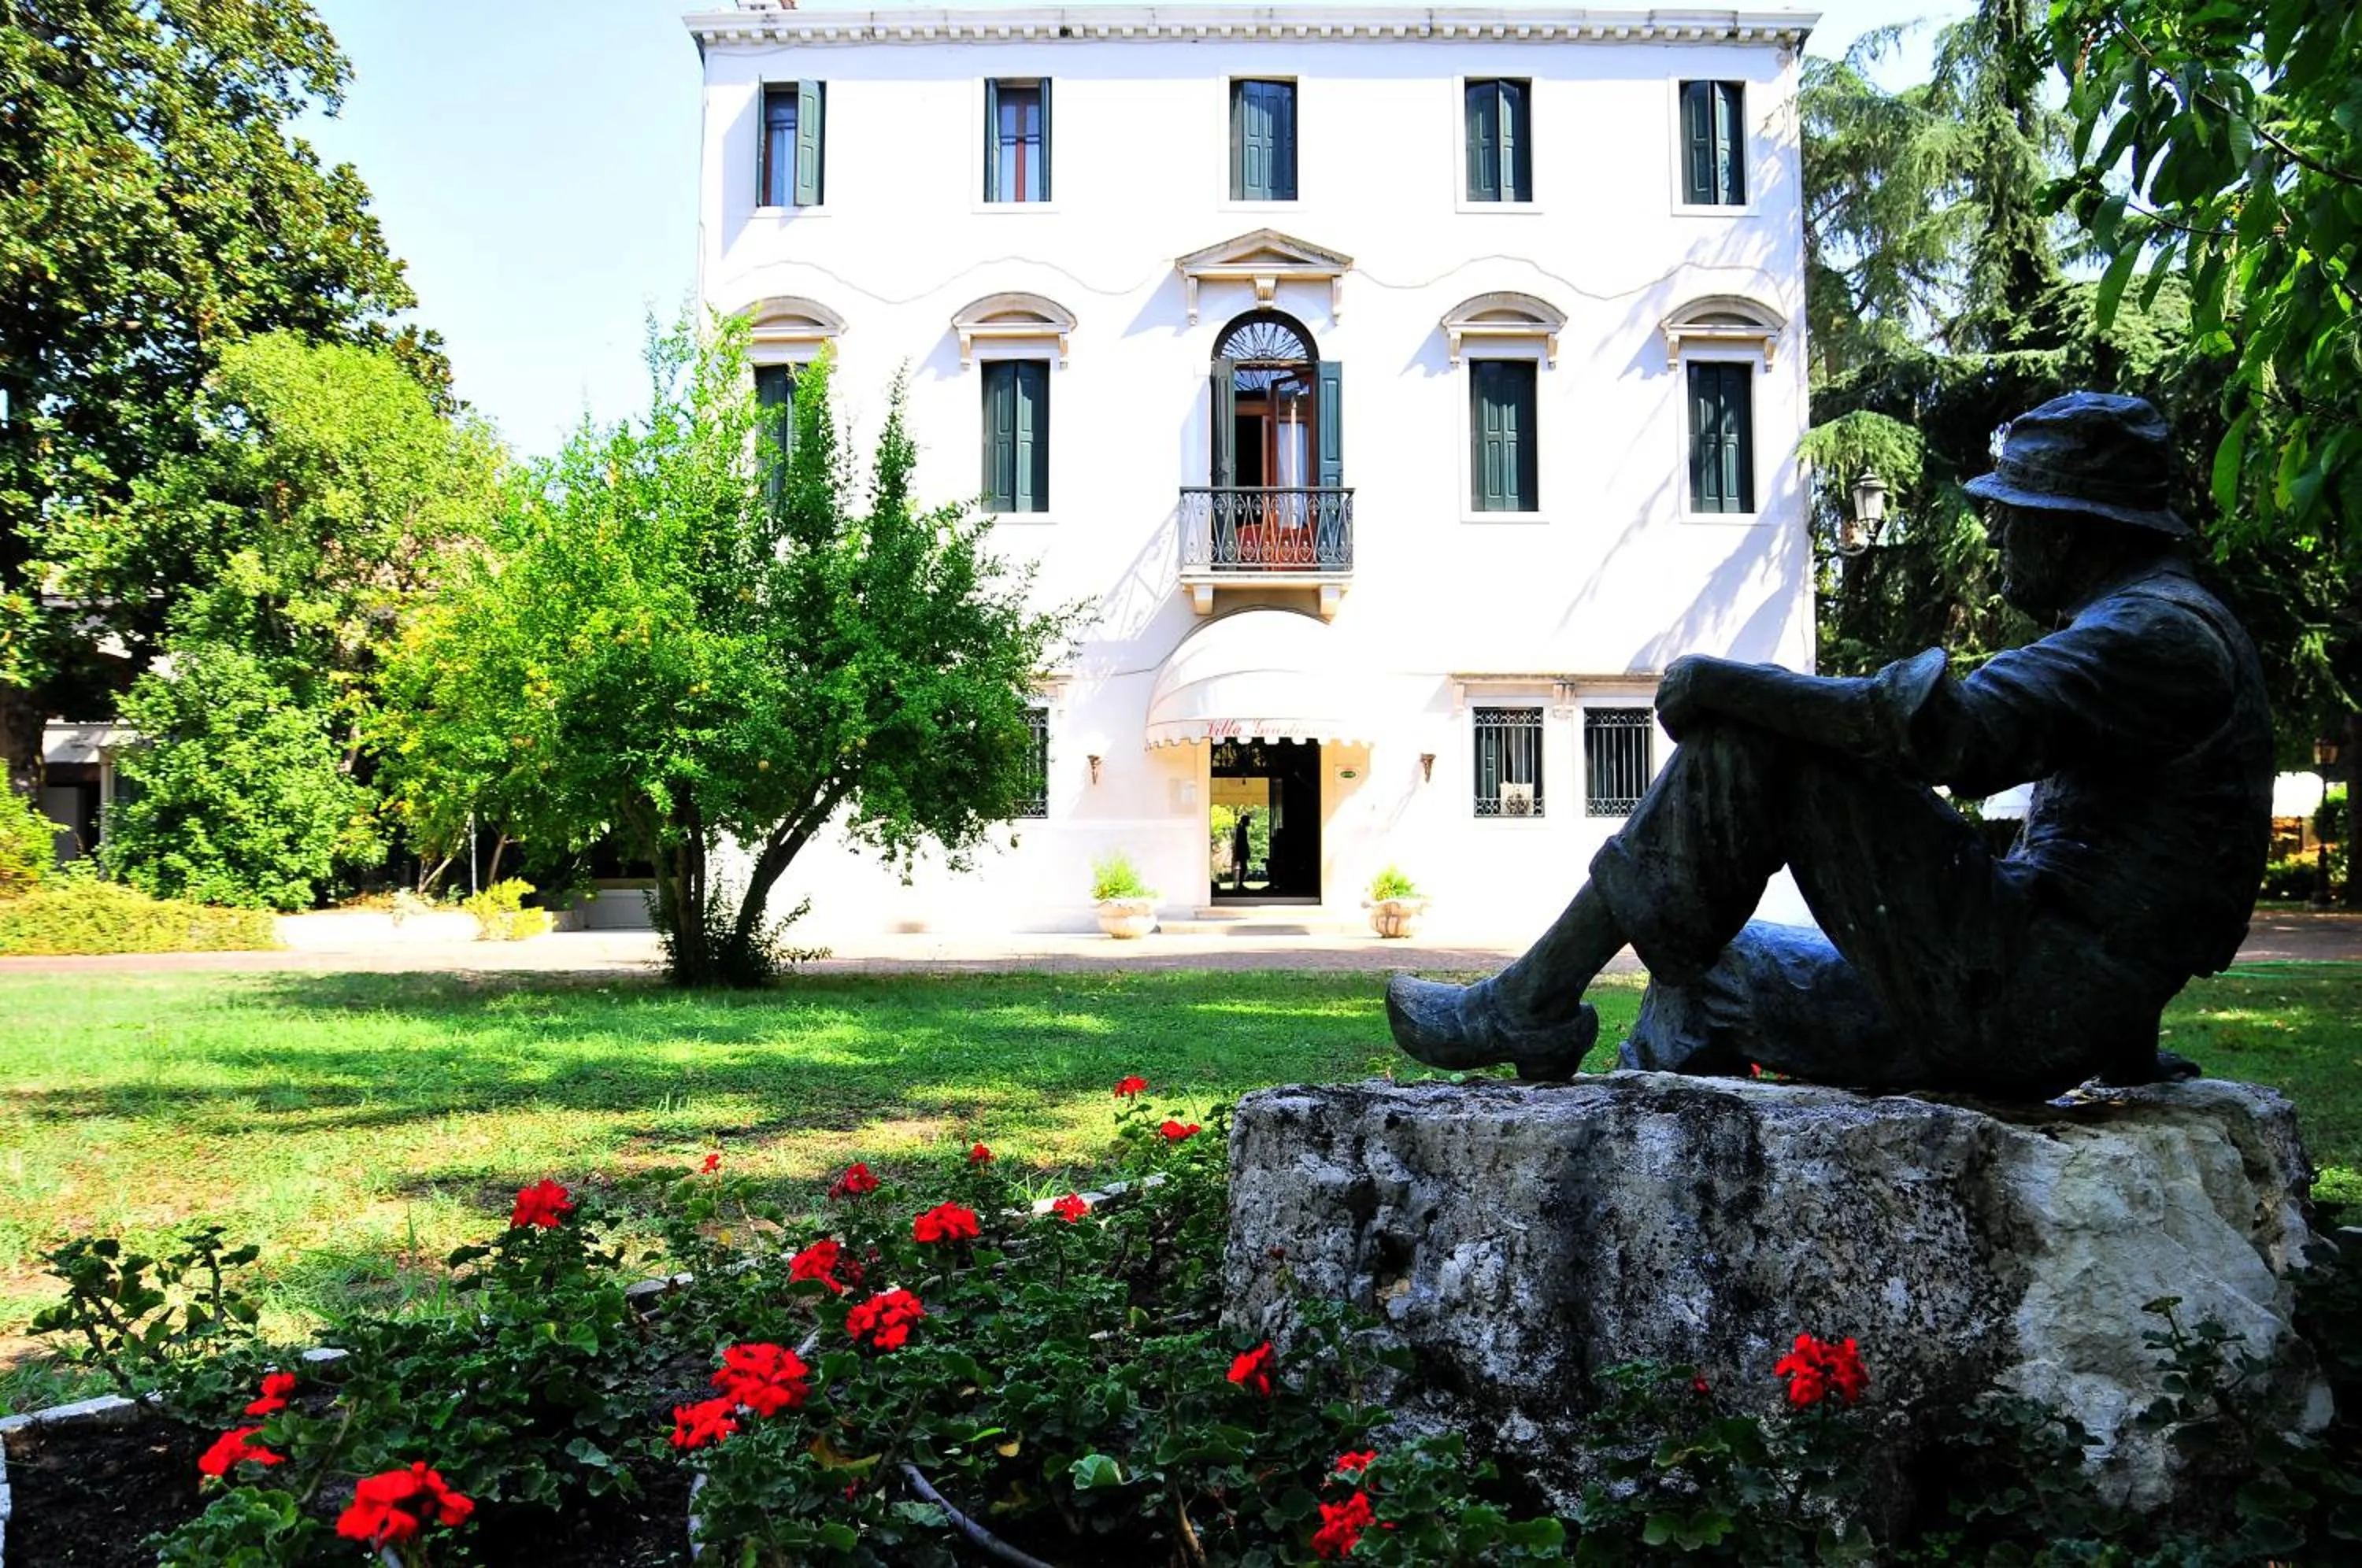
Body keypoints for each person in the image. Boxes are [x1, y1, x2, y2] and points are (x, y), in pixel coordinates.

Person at [1386, 393, 2271, 1099]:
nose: (1995, 532)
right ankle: (1637, 1126)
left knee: (1755, 739)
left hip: (2025, 1004)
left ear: (2069, 526)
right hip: (2053, 995)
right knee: (1703, 969)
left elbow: (1954, 739)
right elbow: (2146, 871)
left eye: (2010, 514)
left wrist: (1730, 684)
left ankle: (1530, 1005)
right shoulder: (2164, 624)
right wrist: (2127, 1043)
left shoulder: (2154, 635)